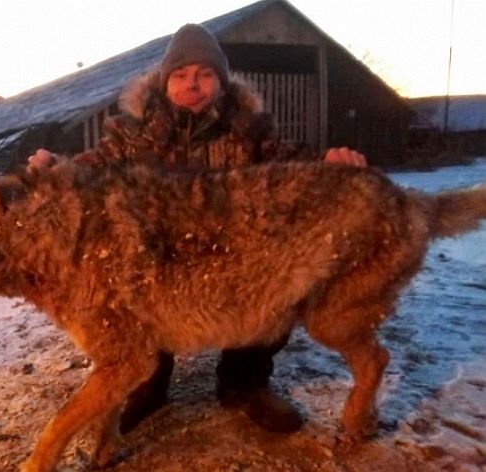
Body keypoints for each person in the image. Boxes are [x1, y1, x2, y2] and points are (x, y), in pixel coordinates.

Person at [28, 23, 366, 435]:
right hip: (158, 256)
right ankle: (147, 385)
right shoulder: (133, 135)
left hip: (234, 251)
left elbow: (290, 164)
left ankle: (245, 385)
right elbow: (89, 167)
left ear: (221, 84)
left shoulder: (249, 130)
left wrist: (327, 162)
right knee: (130, 297)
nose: (194, 84)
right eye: (182, 75)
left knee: (273, 286)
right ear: (166, 83)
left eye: (205, 75)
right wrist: (53, 166)